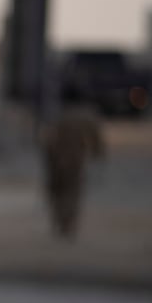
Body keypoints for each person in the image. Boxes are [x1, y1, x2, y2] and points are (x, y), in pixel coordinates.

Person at [39, 97, 105, 240]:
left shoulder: (55, 113)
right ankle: (68, 222)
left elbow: (45, 138)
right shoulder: (85, 117)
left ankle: (61, 220)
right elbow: (96, 138)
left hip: (55, 158)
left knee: (57, 191)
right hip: (74, 159)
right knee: (72, 191)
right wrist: (98, 154)